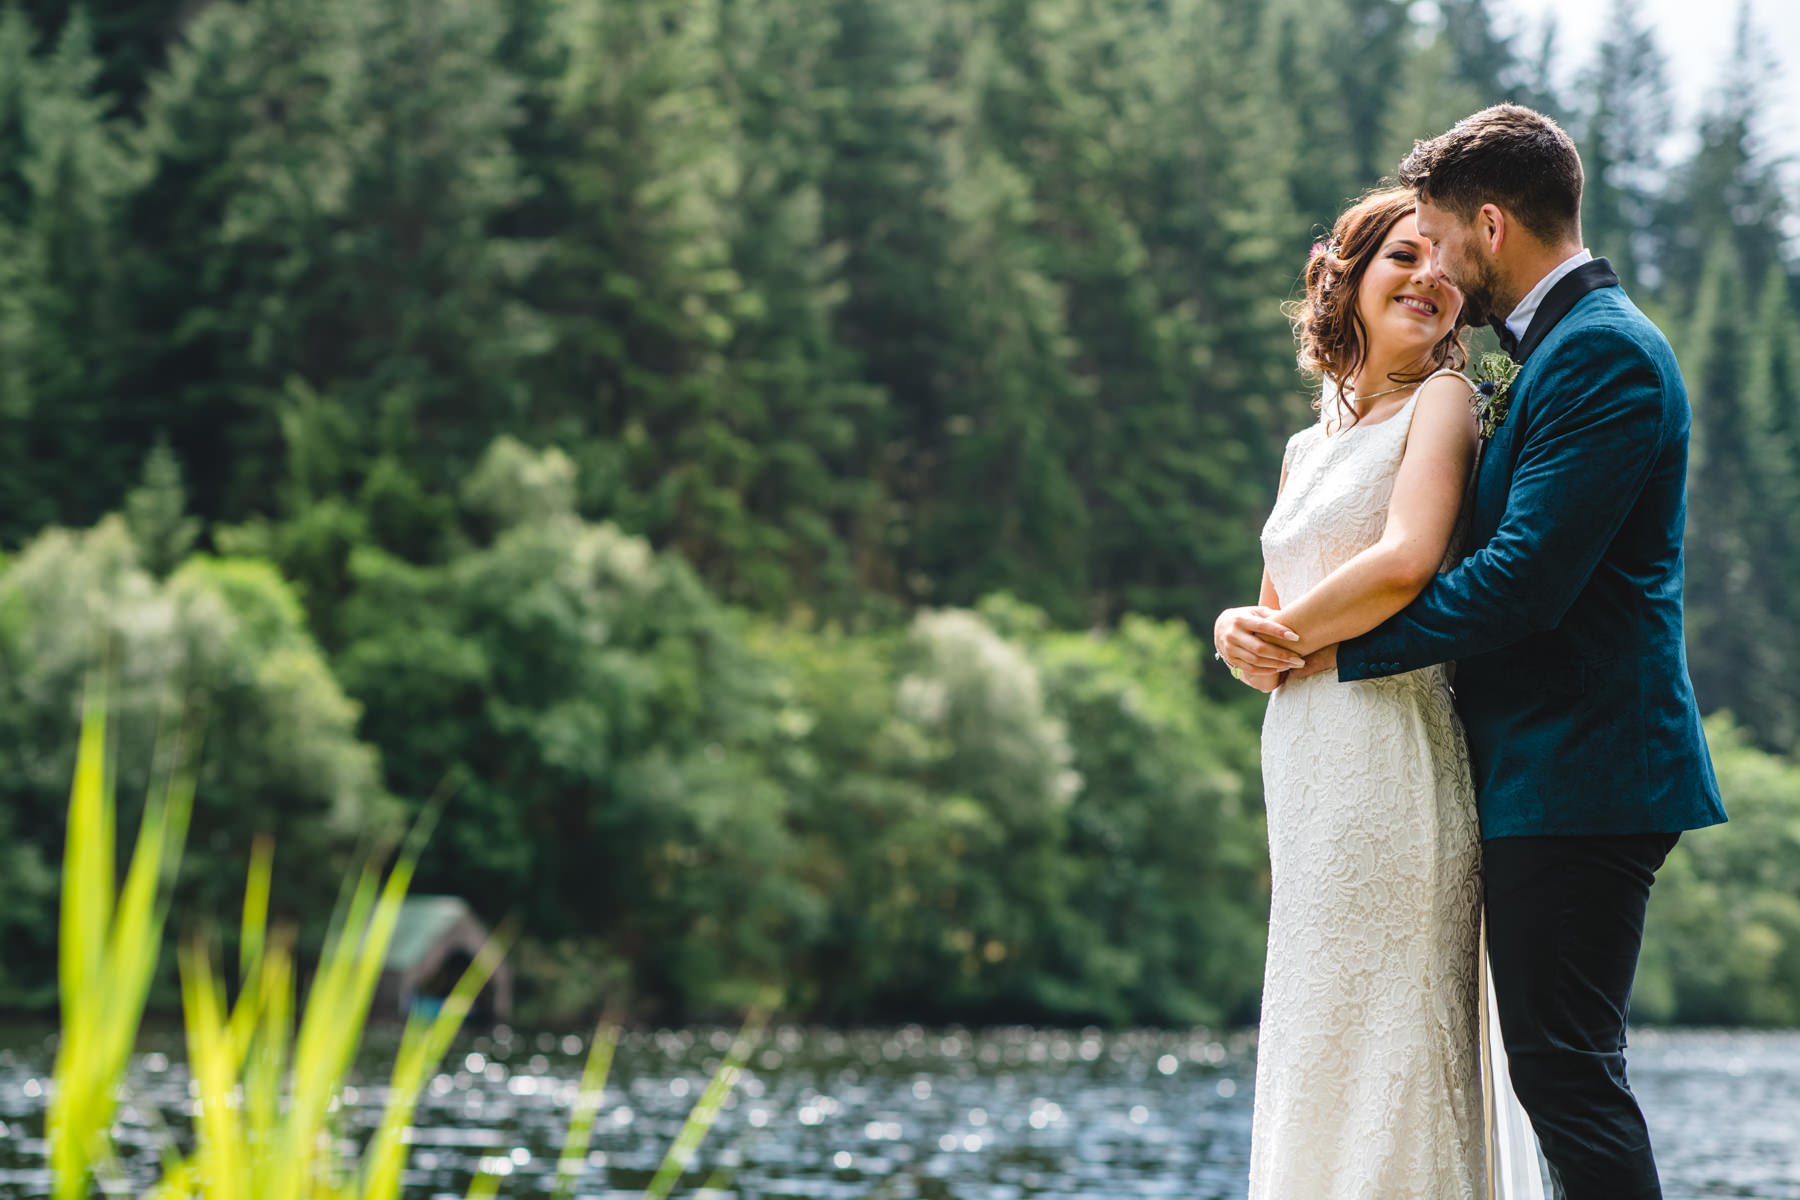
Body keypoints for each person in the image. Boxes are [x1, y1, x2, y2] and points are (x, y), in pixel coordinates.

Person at [1219, 106, 1728, 1200]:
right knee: (1560, 1074)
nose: (1437, 266)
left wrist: (1327, 654)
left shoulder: (1603, 355)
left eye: (1440, 238)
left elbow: (1520, 584)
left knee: (1568, 1078)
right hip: (1535, 770)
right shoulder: (1553, 355)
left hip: (1587, 769)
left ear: (1489, 226)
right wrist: (1270, 638)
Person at [1214, 185, 1507, 1198]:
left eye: (1446, 267)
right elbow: (1272, 605)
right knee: (1318, 1012)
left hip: (1389, 748)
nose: (1430, 279)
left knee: (1389, 1019)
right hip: (1305, 761)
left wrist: (1285, 637)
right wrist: (1233, 632)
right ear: (1349, 277)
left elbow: (1404, 563)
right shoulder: (1310, 443)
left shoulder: (1445, 402)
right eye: (1402, 258)